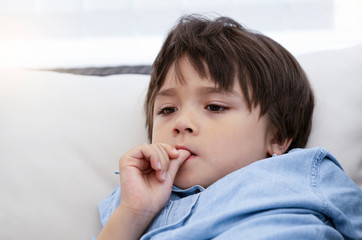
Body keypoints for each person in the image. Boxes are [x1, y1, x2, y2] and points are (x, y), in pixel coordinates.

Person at [95, 14, 362, 239]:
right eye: (168, 110)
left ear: (278, 137)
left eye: (214, 107)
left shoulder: (303, 171)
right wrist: (133, 212)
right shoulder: (135, 194)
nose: (182, 123)